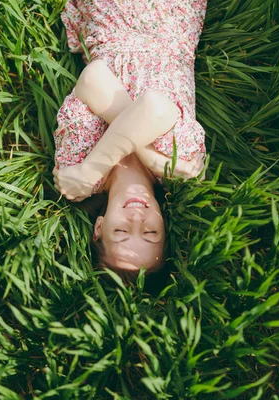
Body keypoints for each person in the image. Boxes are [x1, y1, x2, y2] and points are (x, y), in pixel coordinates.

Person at [53, 0, 207, 277]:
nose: (137, 217)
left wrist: (92, 170)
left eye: (121, 230)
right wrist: (148, 159)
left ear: (99, 227)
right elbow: (155, 107)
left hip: (110, 16)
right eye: (150, 232)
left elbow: (93, 78)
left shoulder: (77, 172)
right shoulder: (178, 167)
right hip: (172, 17)